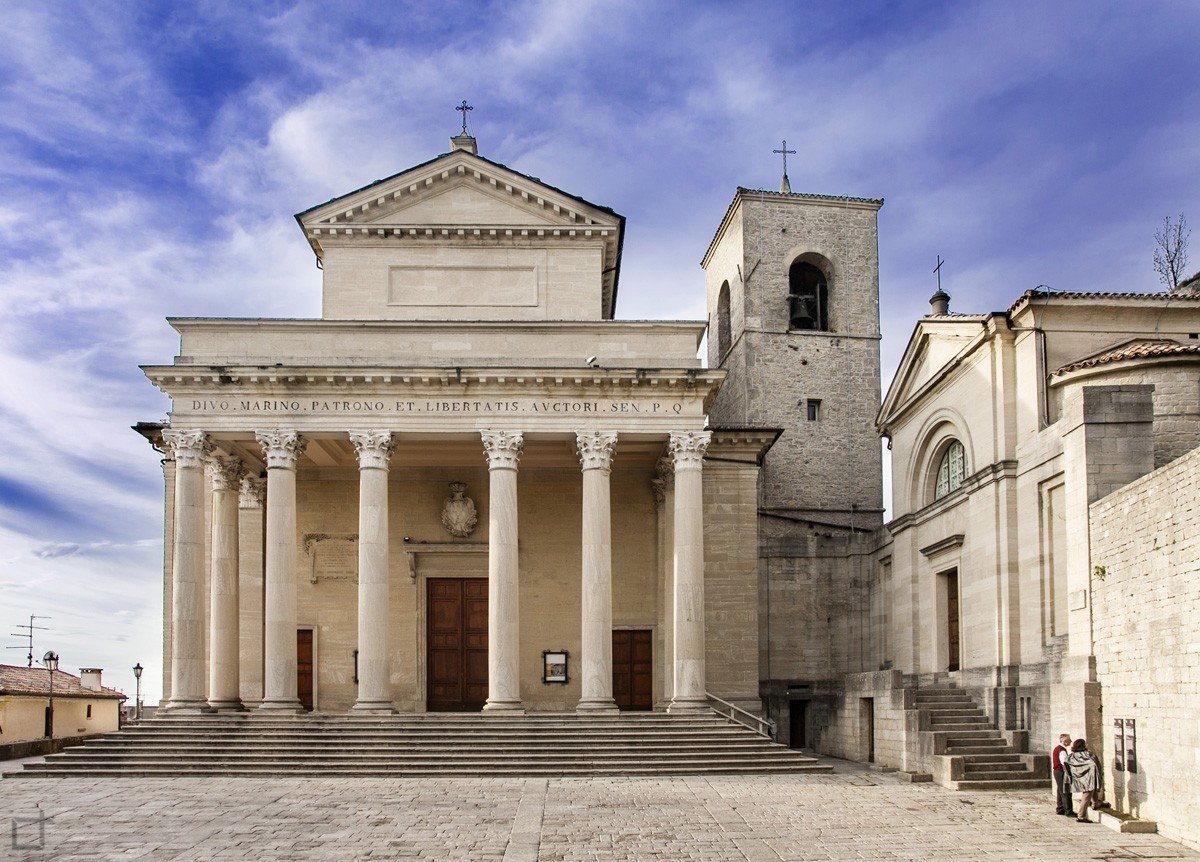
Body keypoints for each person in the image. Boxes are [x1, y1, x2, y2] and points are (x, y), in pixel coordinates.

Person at [1066, 738, 1103, 822]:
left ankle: (1095, 803)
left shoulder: (1072, 756)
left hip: (1079, 779)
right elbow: (1096, 765)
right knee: (1086, 796)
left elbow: (1066, 765)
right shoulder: (1089, 755)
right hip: (1089, 778)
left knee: (1090, 792)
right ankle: (1081, 816)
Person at [1051, 733, 1074, 816]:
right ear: (1065, 741)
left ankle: (1060, 808)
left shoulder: (1058, 748)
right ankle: (1068, 810)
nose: (1071, 741)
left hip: (1057, 771)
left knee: (1060, 790)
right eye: (1069, 740)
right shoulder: (1062, 750)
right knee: (1065, 791)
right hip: (1061, 771)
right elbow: (1064, 762)